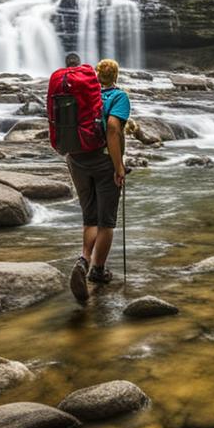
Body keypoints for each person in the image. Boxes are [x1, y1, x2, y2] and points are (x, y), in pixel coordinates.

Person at [66, 56, 130, 301]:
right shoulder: (118, 97)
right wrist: (119, 167)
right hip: (103, 162)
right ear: (115, 76)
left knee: (89, 215)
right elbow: (113, 128)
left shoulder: (85, 95)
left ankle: (83, 259)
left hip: (77, 159)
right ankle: (98, 270)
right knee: (106, 220)